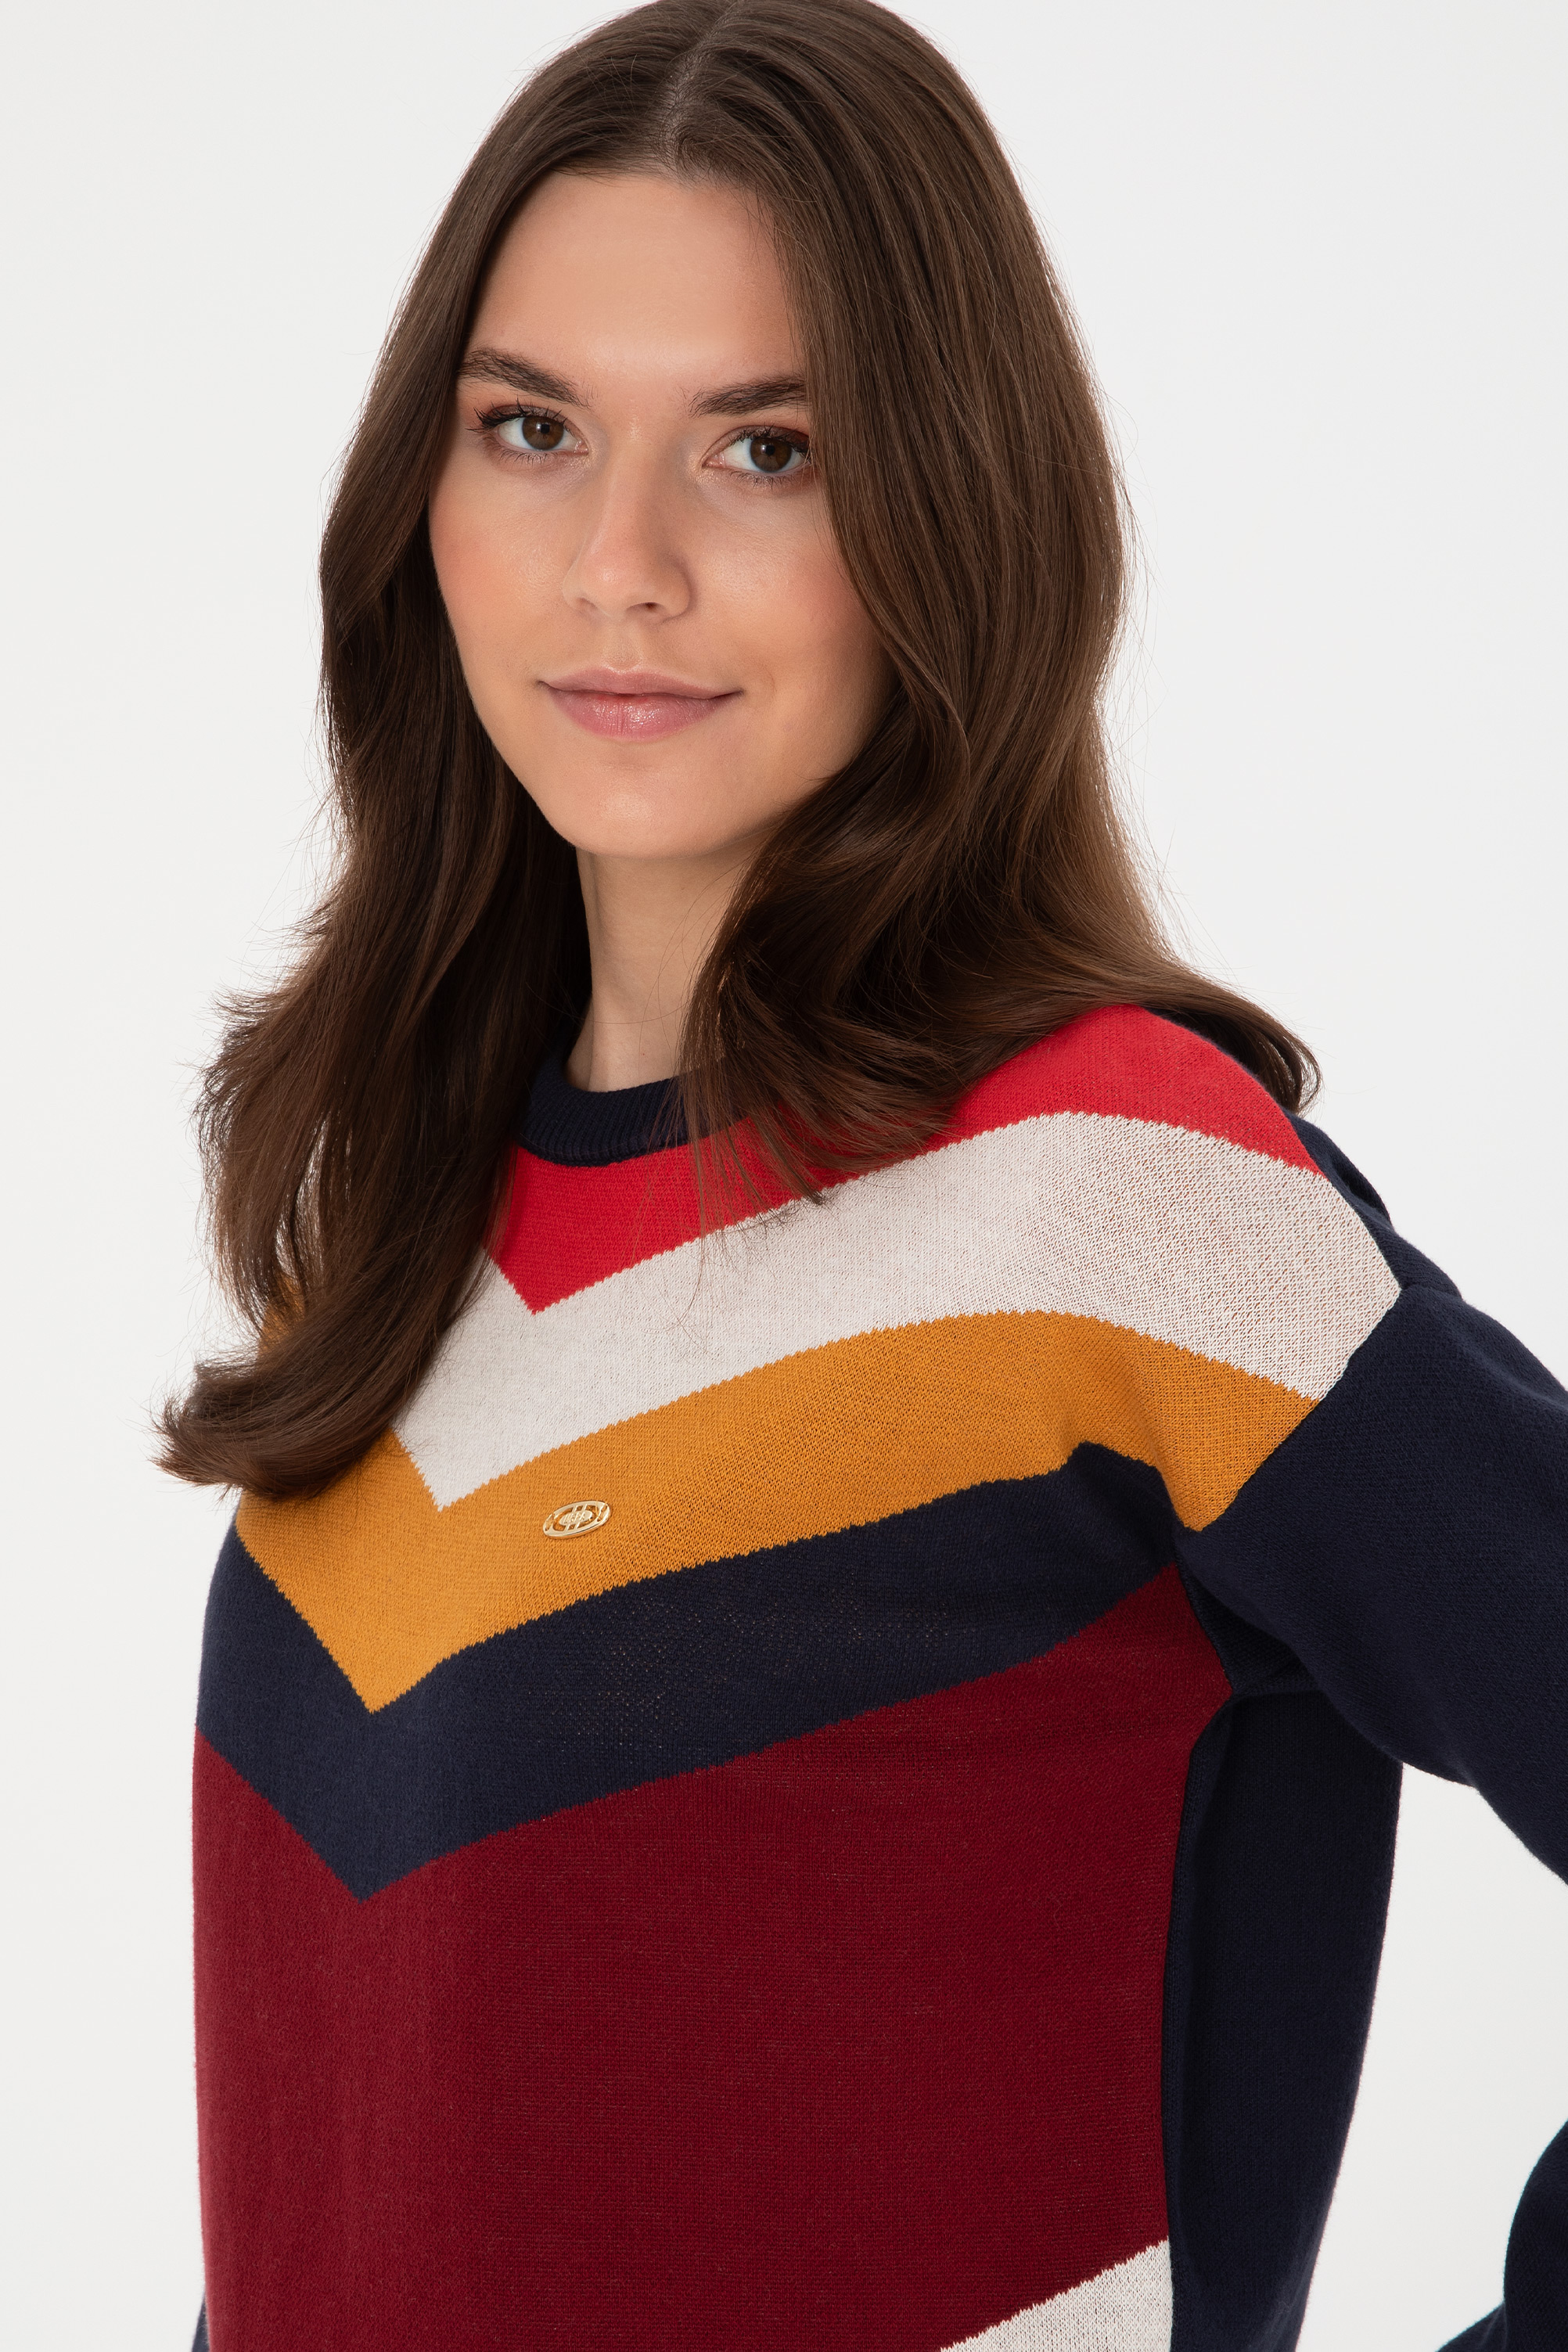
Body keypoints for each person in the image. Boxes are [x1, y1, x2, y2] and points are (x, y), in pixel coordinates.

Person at [160, 2, 1568, 2346]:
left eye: (766, 450)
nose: (619, 566)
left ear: (949, 511)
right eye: (531, 429)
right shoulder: (404, 1235)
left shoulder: (1118, 1197)